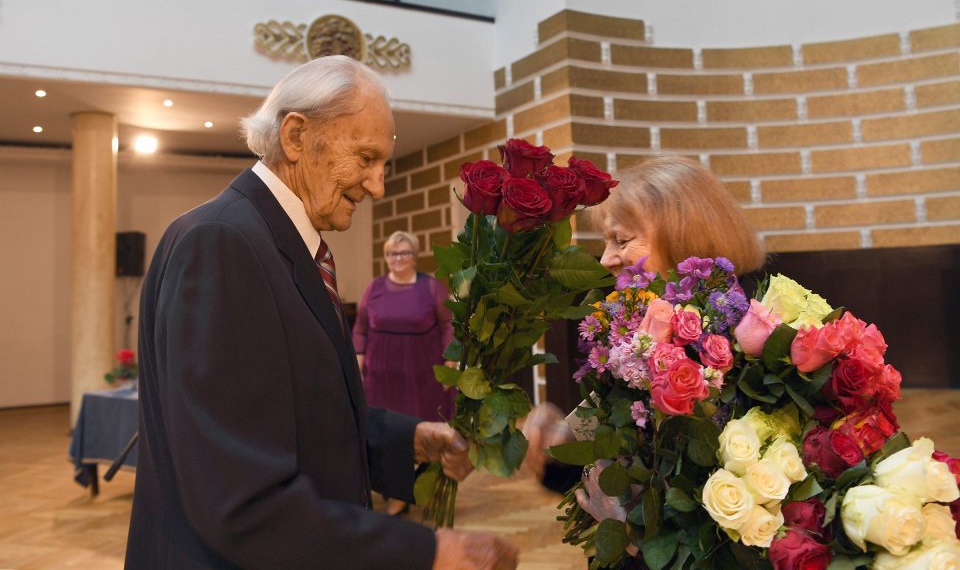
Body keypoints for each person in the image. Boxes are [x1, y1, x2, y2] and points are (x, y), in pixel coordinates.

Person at [125, 55, 517, 570]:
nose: (377, 186)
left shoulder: (269, 239)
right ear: (295, 137)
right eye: (366, 158)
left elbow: (293, 413)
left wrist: (406, 442)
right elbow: (237, 495)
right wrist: (425, 551)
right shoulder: (224, 242)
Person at [523, 155, 766, 488]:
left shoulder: (752, 334)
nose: (607, 260)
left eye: (621, 240)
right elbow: (607, 460)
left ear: (684, 236)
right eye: (606, 243)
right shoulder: (637, 329)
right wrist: (560, 438)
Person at [353, 230, 456, 516]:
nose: (398, 259)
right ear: (386, 257)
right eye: (392, 253)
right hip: (381, 377)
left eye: (404, 253)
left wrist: (450, 361)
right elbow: (361, 327)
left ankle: (416, 488)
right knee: (386, 434)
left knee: (418, 429)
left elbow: (448, 324)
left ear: (414, 256)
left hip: (421, 376)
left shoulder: (431, 287)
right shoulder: (374, 288)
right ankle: (393, 491)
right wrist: (358, 360)